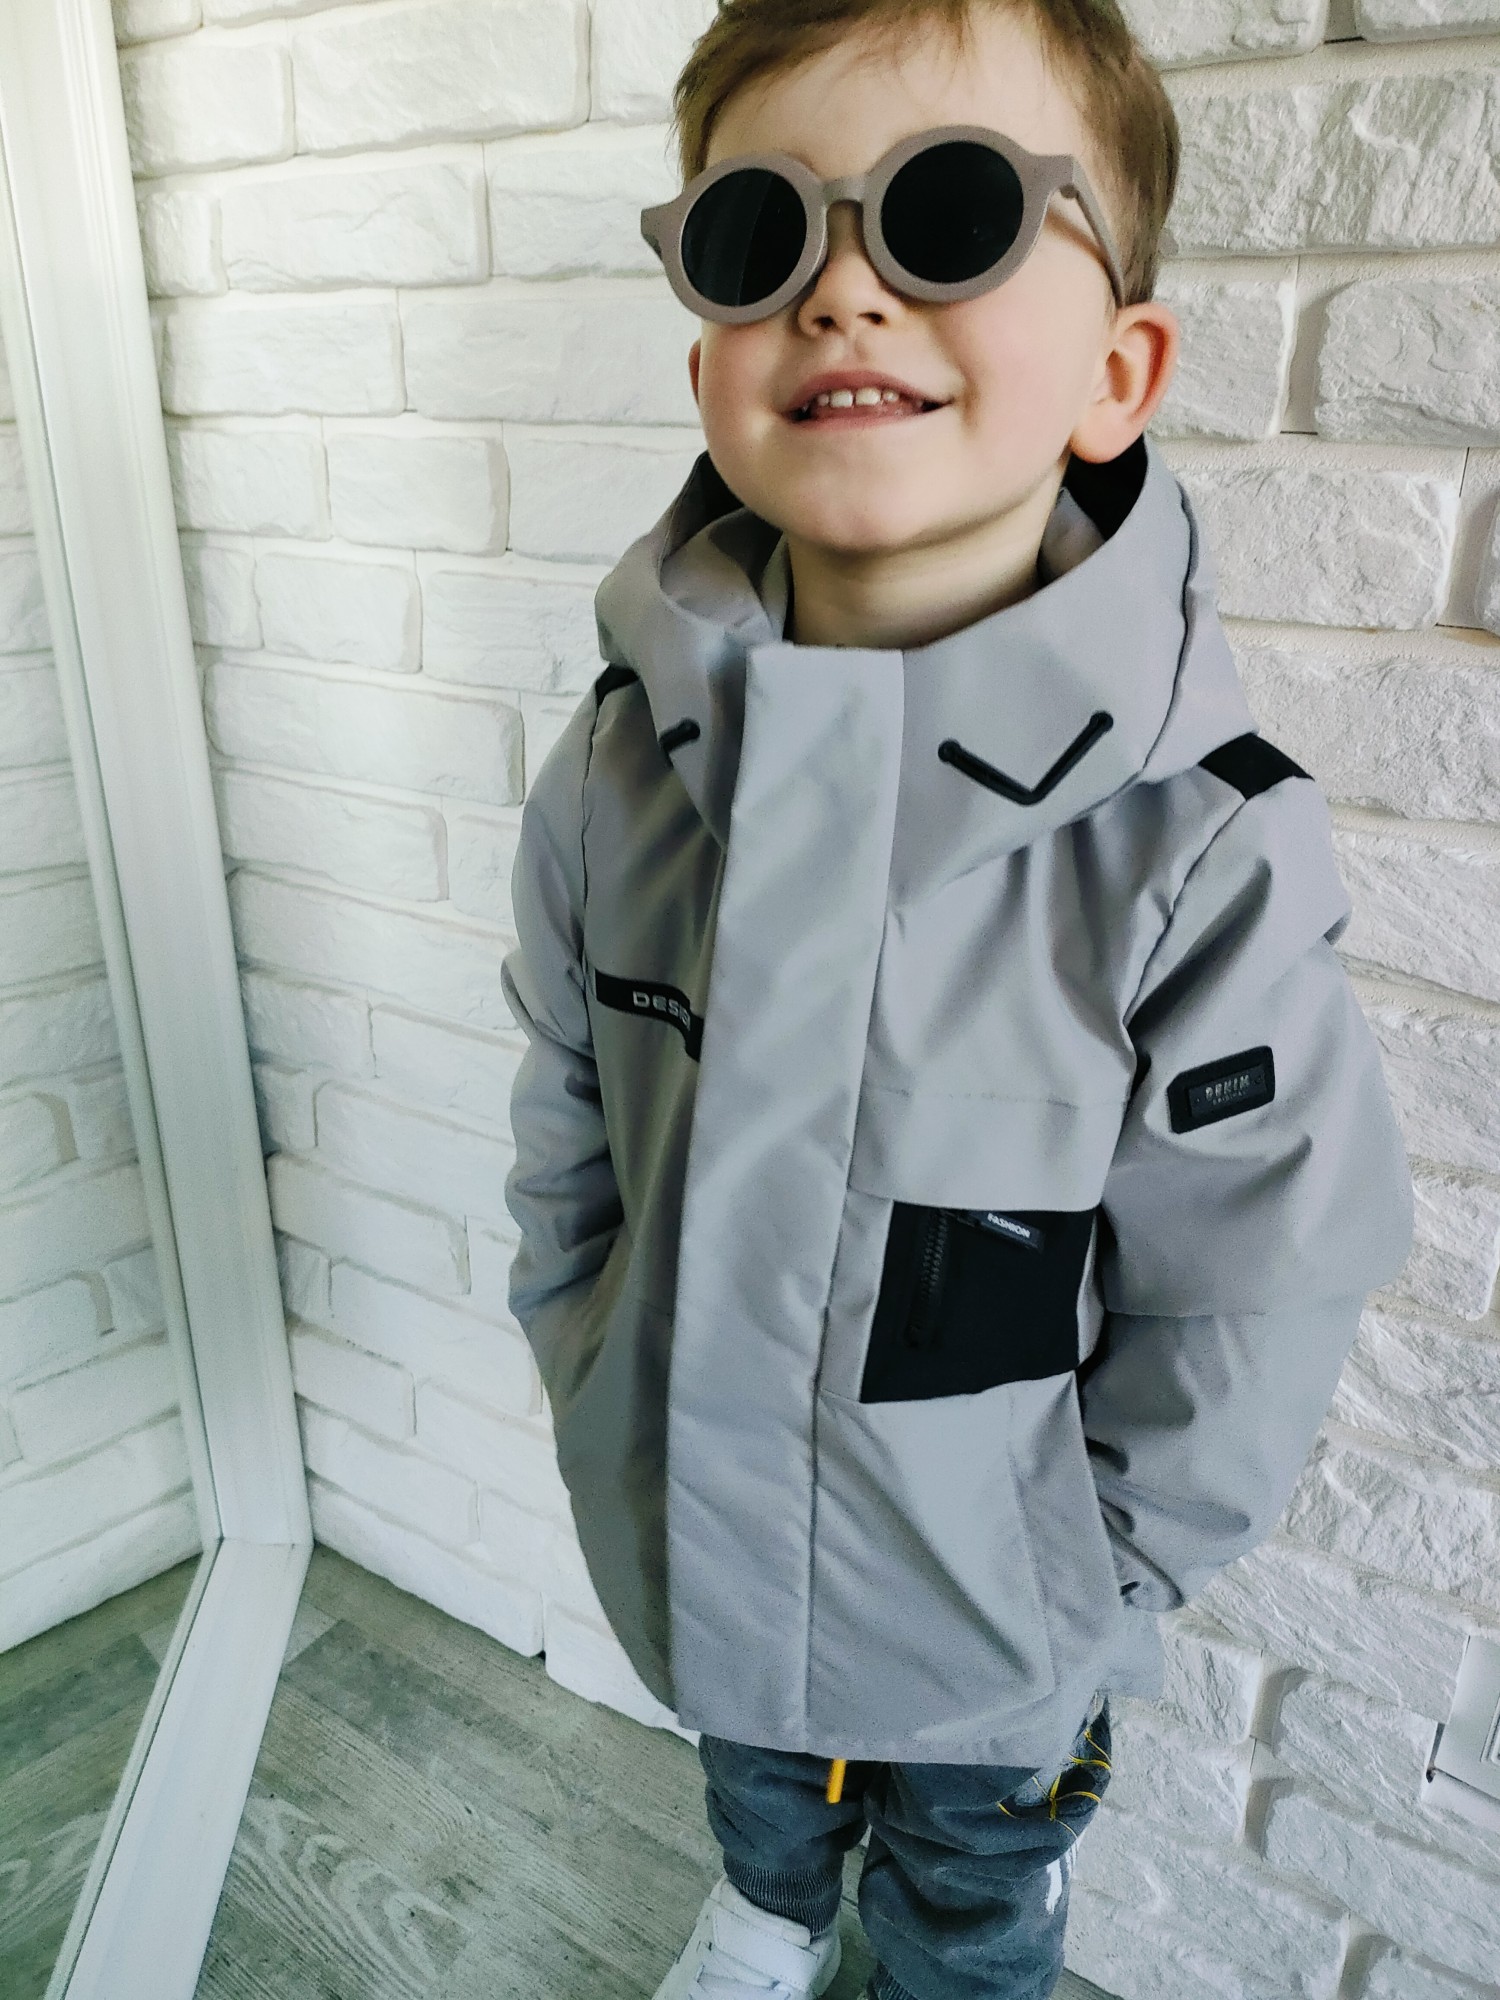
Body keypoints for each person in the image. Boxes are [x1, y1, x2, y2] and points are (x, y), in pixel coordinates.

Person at [499, 2, 1415, 1994]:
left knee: (968, 1902)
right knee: (755, 1796)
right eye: (760, 235)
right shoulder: (614, 775)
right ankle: (766, 1913)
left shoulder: (1199, 847)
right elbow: (567, 1112)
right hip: (698, 1543)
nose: (842, 290)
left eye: (950, 213)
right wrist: (590, 1368)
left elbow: (1254, 1278)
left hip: (994, 1638)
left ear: (1117, 373)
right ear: (708, 355)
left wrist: (1095, 1579)